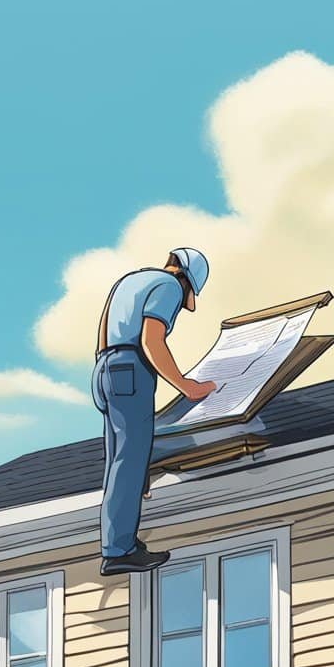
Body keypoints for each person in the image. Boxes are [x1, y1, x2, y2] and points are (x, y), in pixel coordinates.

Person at [92, 247, 217, 577]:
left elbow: (104, 333)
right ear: (188, 281)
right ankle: (119, 551)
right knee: (129, 460)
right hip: (131, 370)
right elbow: (151, 340)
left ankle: (116, 542)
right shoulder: (170, 286)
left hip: (105, 369)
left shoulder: (131, 280)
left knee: (119, 460)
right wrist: (186, 386)